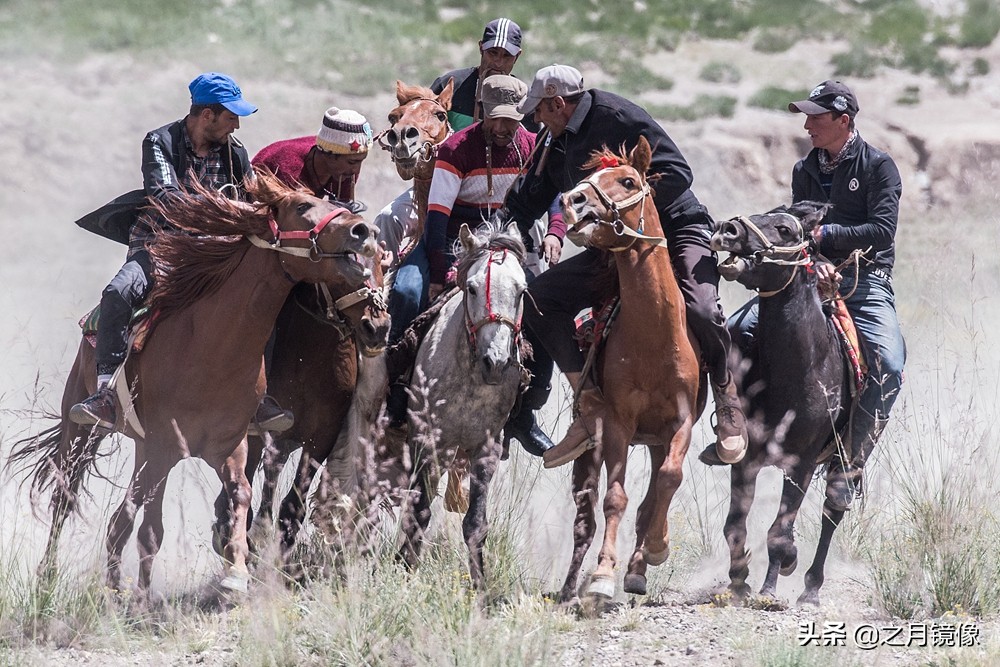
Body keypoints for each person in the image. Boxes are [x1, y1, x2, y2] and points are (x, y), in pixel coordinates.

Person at [504, 64, 748, 468]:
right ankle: (590, 405)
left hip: (676, 227)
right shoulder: (556, 140)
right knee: (540, 298)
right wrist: (503, 225)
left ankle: (727, 397)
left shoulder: (616, 117)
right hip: (617, 245)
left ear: (558, 103)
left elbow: (678, 173)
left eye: (539, 111)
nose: (535, 119)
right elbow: (528, 201)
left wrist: (624, 214)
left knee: (703, 307)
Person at [68, 72, 290, 433]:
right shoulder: (159, 142)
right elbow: (168, 199)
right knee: (118, 292)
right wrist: (230, 211)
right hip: (160, 247)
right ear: (207, 115)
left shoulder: (236, 152)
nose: (236, 125)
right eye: (231, 116)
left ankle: (256, 399)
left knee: (263, 301)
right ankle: (107, 394)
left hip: (218, 255)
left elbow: (252, 198)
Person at [726, 80, 906, 510]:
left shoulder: (879, 167)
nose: (807, 125)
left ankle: (847, 465)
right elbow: (796, 224)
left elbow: (882, 231)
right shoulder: (805, 168)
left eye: (815, 118)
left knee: (890, 364)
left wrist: (826, 237)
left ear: (843, 121)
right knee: (733, 330)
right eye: (806, 117)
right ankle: (731, 430)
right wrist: (811, 255)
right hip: (808, 276)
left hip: (865, 282)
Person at [385, 75, 565, 455]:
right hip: (452, 238)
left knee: (547, 309)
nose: (501, 128)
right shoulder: (456, 149)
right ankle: (394, 390)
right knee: (406, 291)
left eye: (511, 120)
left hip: (507, 244)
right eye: (494, 119)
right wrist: (440, 273)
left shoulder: (533, 147)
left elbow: (553, 198)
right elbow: (436, 217)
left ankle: (525, 411)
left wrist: (555, 232)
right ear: (480, 112)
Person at [252, 106, 372, 206]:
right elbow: (284, 220)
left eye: (361, 161)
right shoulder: (287, 167)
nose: (356, 170)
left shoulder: (345, 171)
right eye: (352, 162)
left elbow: (344, 211)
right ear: (329, 155)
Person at [430, 18, 526, 131]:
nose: (498, 62)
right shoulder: (449, 85)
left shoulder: (524, 99)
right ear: (481, 48)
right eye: (493, 53)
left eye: (507, 56)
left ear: (517, 57)